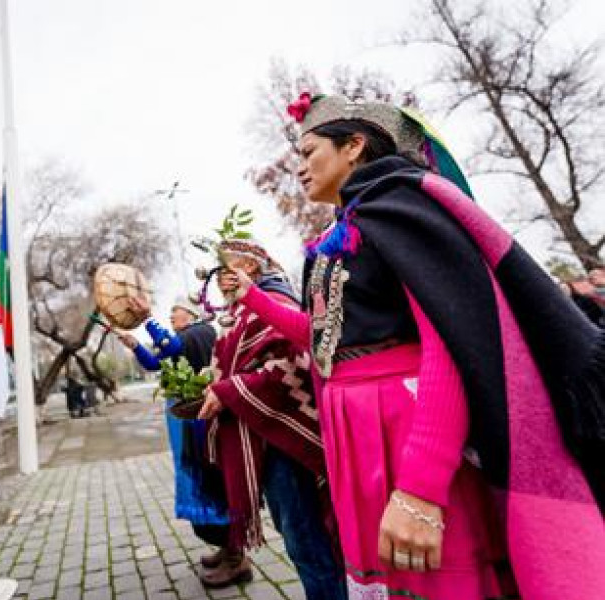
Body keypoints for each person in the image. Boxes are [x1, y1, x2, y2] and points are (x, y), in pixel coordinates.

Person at [224, 92, 605, 599]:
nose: (299, 167)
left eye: (309, 151)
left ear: (354, 145)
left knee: (442, 580)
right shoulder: (342, 232)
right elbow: (322, 337)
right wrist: (250, 297)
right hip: (356, 434)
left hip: (408, 431)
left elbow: (449, 345)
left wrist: (421, 488)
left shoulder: (399, 208)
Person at [196, 239, 345, 599]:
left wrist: (230, 390)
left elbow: (295, 366)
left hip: (284, 442)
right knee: (299, 540)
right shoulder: (241, 310)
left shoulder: (274, 301)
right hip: (264, 436)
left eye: (225, 267)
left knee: (307, 544)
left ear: (249, 267)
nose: (218, 277)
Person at [118, 298, 242, 586]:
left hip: (201, 418)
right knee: (199, 478)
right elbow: (155, 363)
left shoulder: (200, 332)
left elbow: (171, 348)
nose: (172, 315)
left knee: (210, 479)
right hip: (187, 418)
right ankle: (226, 548)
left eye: (176, 311)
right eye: (170, 312)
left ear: (192, 314)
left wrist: (148, 320)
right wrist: (134, 345)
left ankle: (236, 557)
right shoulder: (184, 338)